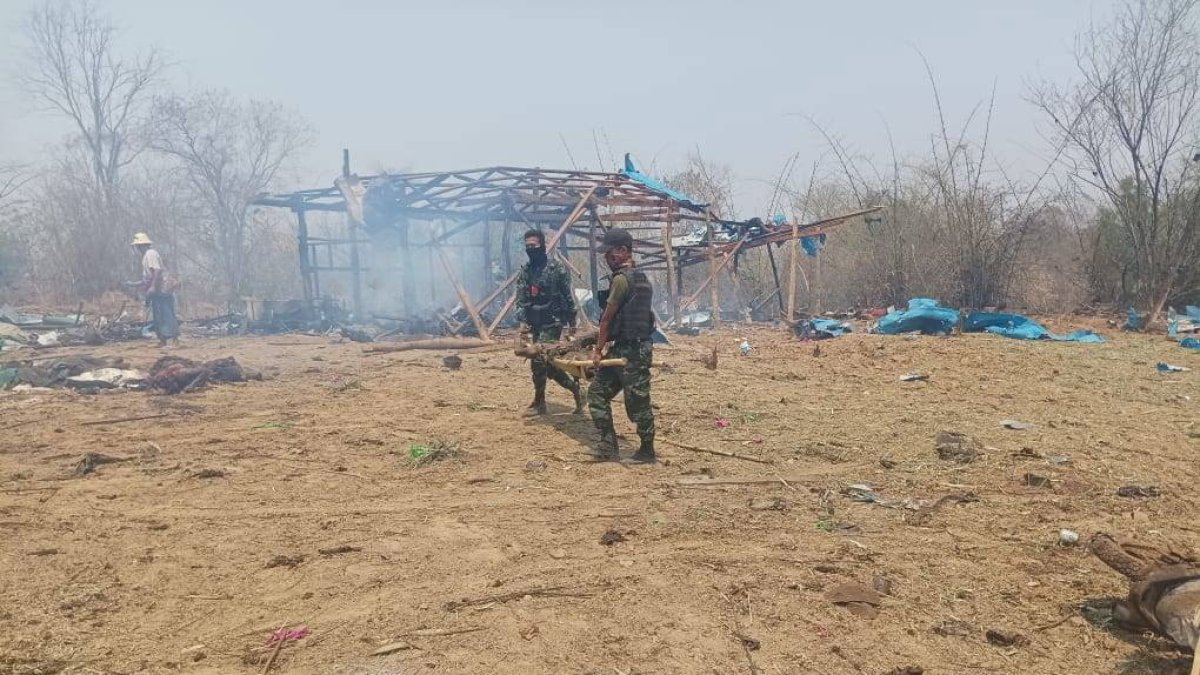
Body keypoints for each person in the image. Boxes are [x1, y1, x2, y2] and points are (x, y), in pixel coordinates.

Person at [588, 228, 656, 464]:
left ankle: (647, 450)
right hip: (626, 348)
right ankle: (608, 446)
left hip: (634, 352)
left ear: (623, 251)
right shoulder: (642, 278)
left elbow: (606, 319)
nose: (607, 259)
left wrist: (597, 351)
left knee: (638, 402)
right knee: (597, 393)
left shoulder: (621, 280)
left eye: (610, 253)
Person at [516, 228, 584, 416]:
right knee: (547, 366)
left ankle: (541, 402)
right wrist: (522, 322)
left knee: (539, 360)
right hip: (534, 322)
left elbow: (568, 296)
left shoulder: (556, 268)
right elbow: (520, 298)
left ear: (542, 246)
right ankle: (571, 391)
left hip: (553, 322)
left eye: (534, 245)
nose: (530, 249)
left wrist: (572, 322)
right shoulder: (526, 272)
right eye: (527, 246)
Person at [130, 232, 179, 347]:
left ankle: (174, 339)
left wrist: (152, 287)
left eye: (138, 246)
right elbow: (149, 276)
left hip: (161, 289)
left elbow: (157, 270)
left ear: (142, 245)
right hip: (158, 289)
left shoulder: (150, 254)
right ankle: (163, 340)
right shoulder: (147, 256)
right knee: (158, 315)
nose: (137, 248)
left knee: (165, 313)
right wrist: (136, 284)